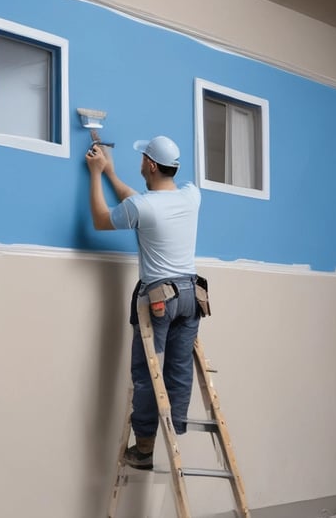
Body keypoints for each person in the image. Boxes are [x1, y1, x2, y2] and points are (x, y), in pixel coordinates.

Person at [85, 135, 203, 470]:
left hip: (159, 298)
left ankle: (145, 448)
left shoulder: (144, 207)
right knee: (178, 368)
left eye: (142, 159)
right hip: (191, 296)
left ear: (150, 165)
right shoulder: (191, 195)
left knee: (147, 372)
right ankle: (175, 430)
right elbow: (140, 204)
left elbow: (101, 219)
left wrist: (95, 174)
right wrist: (111, 173)